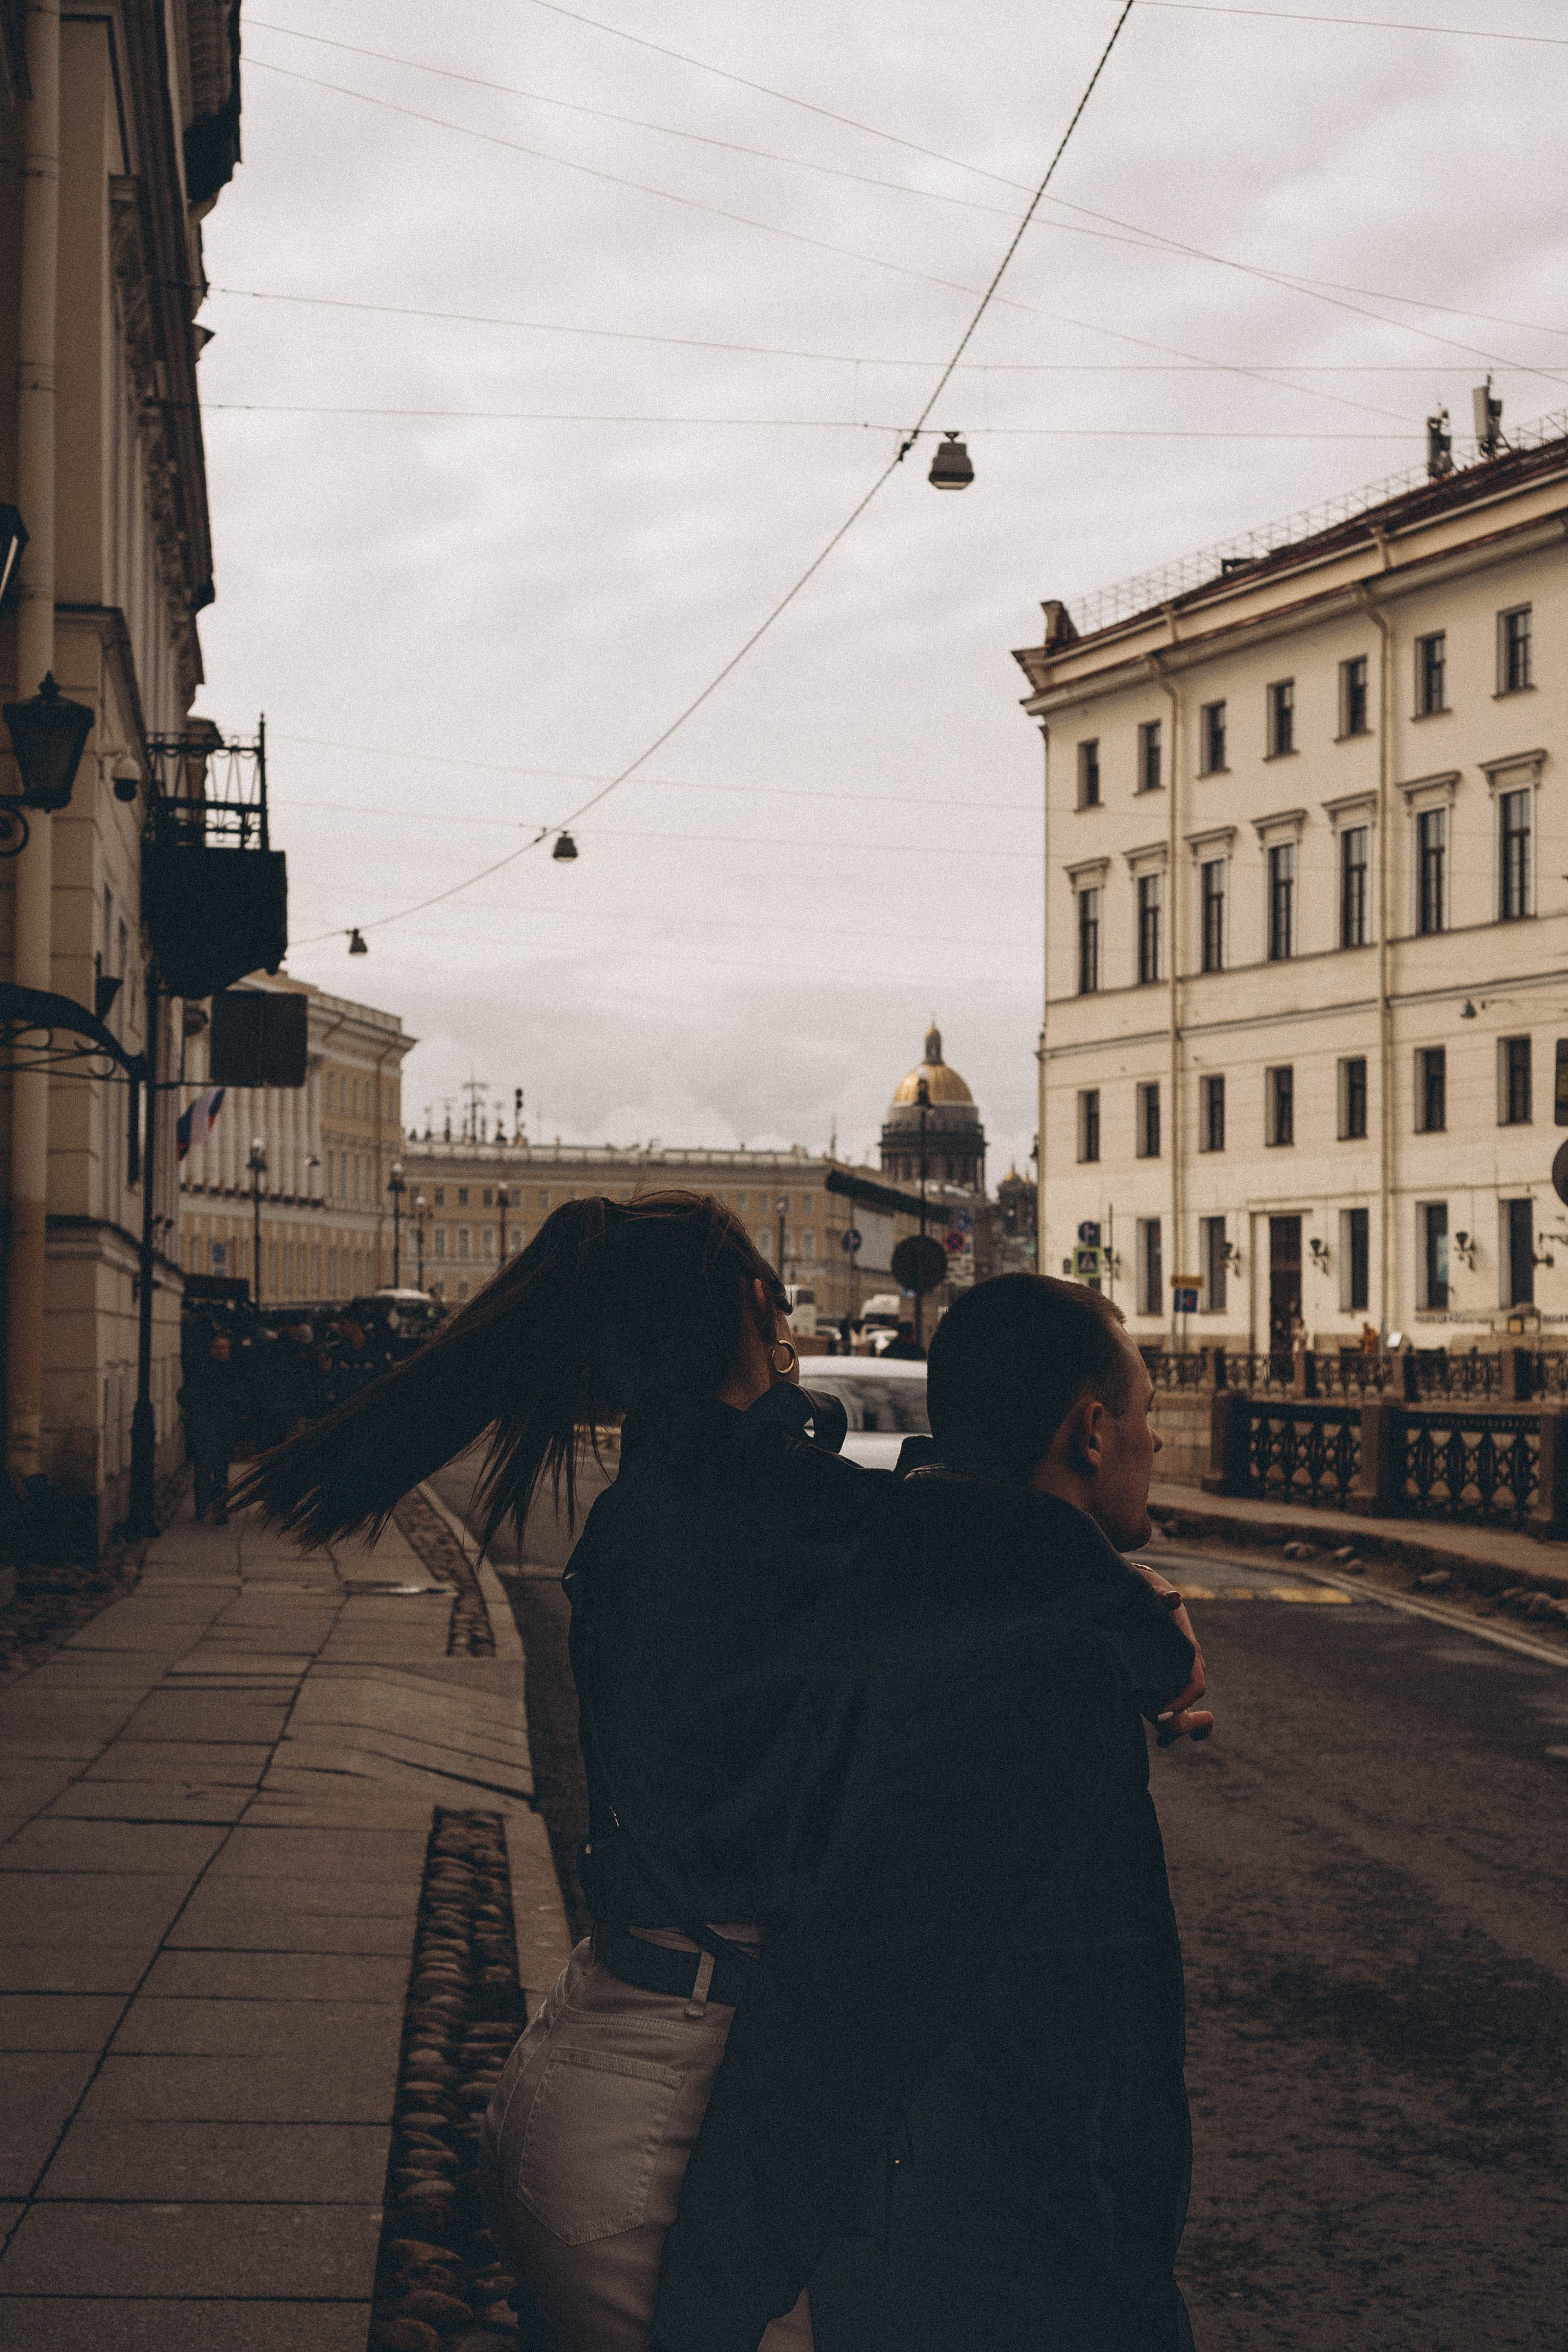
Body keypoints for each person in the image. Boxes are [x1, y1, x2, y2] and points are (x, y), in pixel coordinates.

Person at [231, 1193, 898, 2352]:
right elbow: (958, 1558)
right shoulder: (752, 1505)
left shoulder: (669, 1499)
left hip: (616, 2068)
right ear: (753, 1305)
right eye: (781, 1298)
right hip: (665, 2122)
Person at [650, 1273, 1210, 2352]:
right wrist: (707, 2308)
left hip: (947, 2244)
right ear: (1093, 1432)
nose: (1157, 1442)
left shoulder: (902, 1587)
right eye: (1144, 1415)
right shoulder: (1033, 1678)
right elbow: (853, 2008)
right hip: (1008, 2264)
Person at [179, 1328, 244, 1523]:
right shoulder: (201, 1370)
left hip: (224, 1428)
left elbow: (240, 1398)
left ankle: (220, 1509)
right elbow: (187, 1394)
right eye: (217, 1347)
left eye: (224, 1347)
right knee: (202, 1471)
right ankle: (202, 1508)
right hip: (204, 1427)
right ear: (210, 1349)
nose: (220, 1351)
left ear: (229, 1350)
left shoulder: (234, 1371)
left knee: (222, 1471)